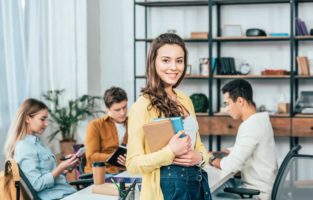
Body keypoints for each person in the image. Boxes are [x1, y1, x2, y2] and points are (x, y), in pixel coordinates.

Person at [126, 33, 212, 200]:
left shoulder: (184, 99)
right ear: (153, 62)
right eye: (166, 60)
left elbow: (199, 145)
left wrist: (200, 157)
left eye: (179, 61)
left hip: (196, 184)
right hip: (165, 192)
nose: (174, 67)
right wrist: (170, 152)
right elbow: (133, 164)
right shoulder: (142, 106)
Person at [210, 79, 278, 200]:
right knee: (221, 185)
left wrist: (210, 159)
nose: (227, 109)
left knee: (207, 192)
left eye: (227, 103)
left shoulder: (251, 126)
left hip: (257, 194)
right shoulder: (260, 120)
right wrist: (226, 151)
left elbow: (232, 166)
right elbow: (246, 147)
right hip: (260, 187)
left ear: (240, 101)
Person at [4, 98, 79, 200]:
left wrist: (65, 168)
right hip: (57, 197)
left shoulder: (37, 144)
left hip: (66, 193)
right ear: (27, 119)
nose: (46, 124)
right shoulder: (24, 147)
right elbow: (37, 184)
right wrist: (60, 168)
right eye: (42, 119)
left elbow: (46, 173)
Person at [85, 87, 128, 174]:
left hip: (126, 171)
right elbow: (91, 156)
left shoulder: (133, 123)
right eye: (117, 110)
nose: (122, 113)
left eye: (124, 107)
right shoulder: (96, 125)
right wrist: (117, 158)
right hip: (103, 172)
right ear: (107, 109)